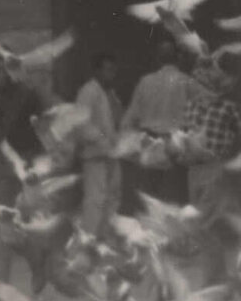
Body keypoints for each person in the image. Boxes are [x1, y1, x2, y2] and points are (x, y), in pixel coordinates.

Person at [0, 45, 52, 292]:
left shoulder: (24, 93)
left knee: (4, 221)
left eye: (2, 69)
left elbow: (1, 131)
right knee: (6, 226)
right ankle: (36, 265)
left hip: (22, 166)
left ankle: (0, 285)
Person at [183, 51, 241, 211]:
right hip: (194, 169)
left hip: (214, 170)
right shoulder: (191, 105)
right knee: (198, 216)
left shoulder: (228, 108)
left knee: (205, 217)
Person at [120, 37, 196, 207]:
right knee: (178, 200)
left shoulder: (145, 82)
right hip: (177, 146)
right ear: (178, 57)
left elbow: (129, 119)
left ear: (158, 58)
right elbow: (197, 119)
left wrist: (131, 146)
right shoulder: (187, 82)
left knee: (151, 201)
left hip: (151, 144)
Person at [74, 51, 124, 238]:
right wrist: (102, 140)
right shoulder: (88, 91)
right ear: (97, 71)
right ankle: (87, 248)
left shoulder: (110, 94)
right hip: (95, 157)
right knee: (94, 203)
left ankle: (104, 245)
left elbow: (117, 122)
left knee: (112, 201)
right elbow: (81, 124)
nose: (111, 74)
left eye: (114, 70)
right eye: (107, 70)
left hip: (112, 156)